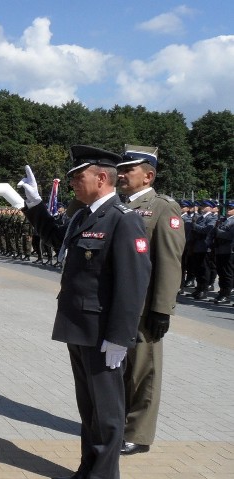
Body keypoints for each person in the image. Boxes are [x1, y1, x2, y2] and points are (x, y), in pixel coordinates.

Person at [17, 145, 151, 479]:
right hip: (79, 328)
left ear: (102, 177)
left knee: (107, 414)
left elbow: (132, 284)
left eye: (79, 176)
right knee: (89, 410)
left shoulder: (123, 220)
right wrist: (34, 205)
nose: (74, 182)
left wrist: (120, 337)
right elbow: (56, 237)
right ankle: (88, 469)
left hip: (104, 334)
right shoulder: (84, 216)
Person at [115, 146, 185, 456]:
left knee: (144, 370)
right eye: (121, 168)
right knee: (120, 368)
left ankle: (139, 434)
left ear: (148, 175)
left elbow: (170, 261)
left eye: (128, 169)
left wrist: (162, 308)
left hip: (145, 307)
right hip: (119, 303)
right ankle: (119, 424)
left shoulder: (161, 208)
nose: (121, 174)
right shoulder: (118, 205)